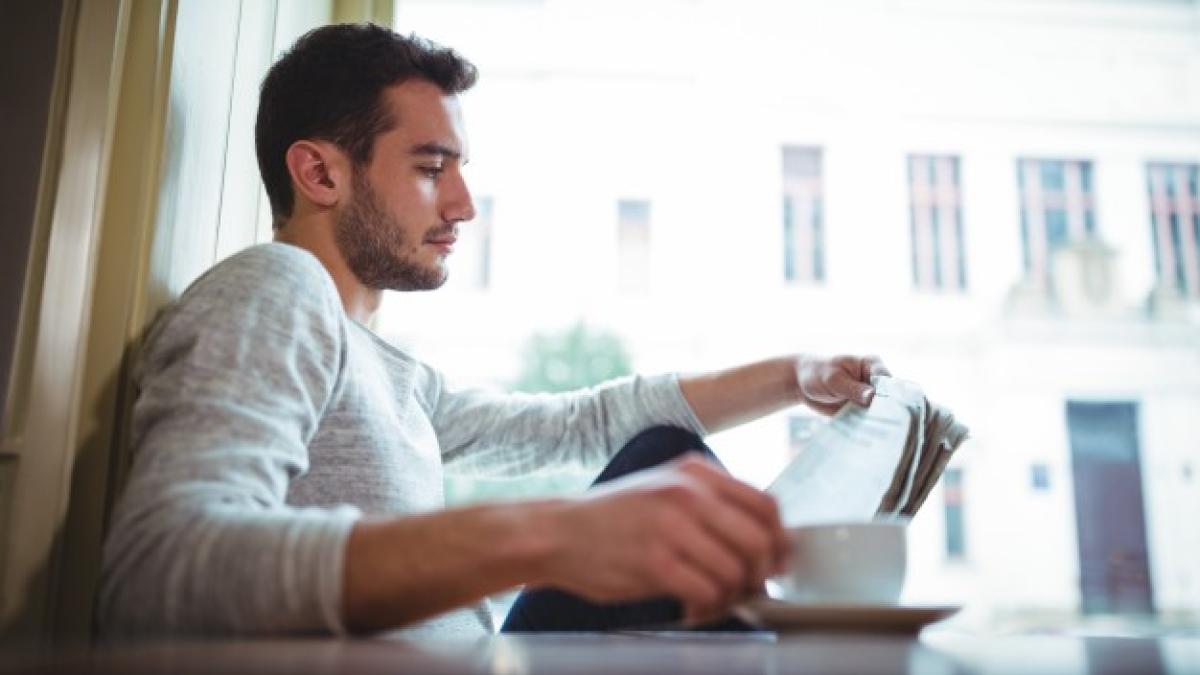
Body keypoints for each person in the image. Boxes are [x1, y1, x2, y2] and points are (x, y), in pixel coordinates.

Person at [97, 23, 890, 640]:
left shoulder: (393, 371)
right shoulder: (275, 288)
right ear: (320, 173)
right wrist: (546, 534)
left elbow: (586, 422)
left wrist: (796, 375)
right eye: (431, 167)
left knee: (662, 461)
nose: (464, 205)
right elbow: (156, 570)